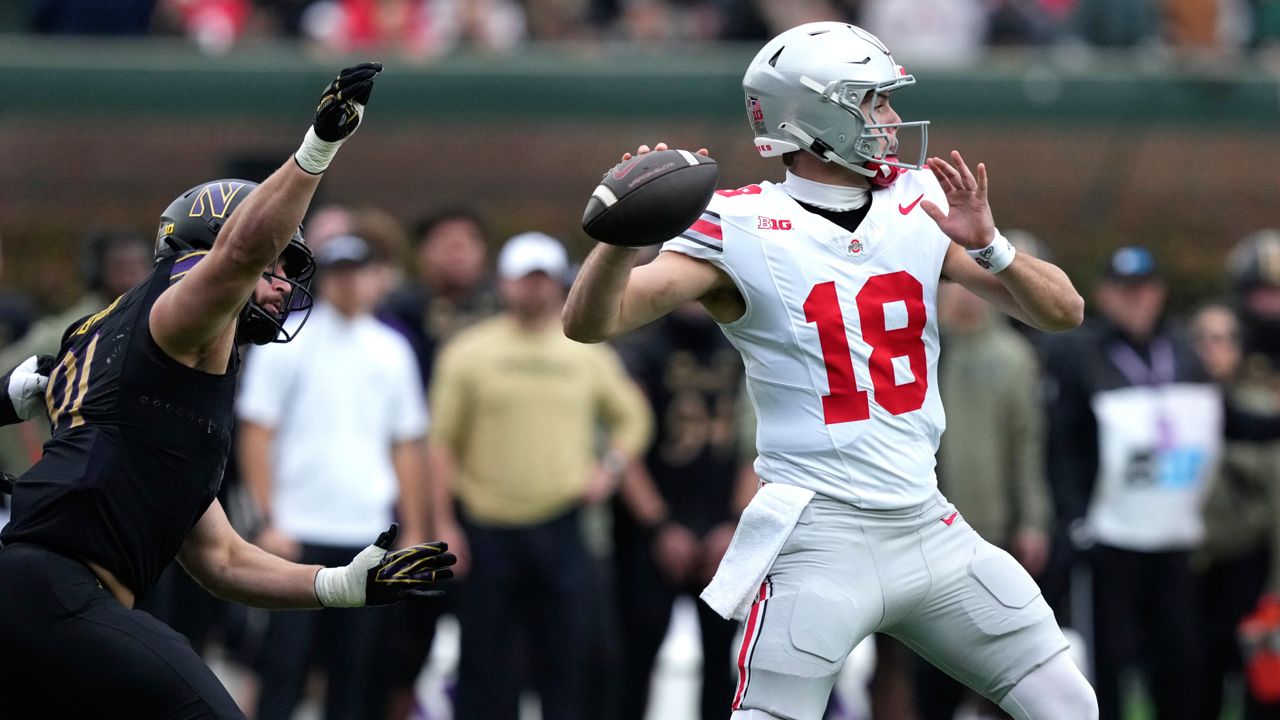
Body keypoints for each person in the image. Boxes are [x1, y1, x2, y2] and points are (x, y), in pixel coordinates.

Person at [563, 21, 1096, 720]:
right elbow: (591, 322)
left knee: (1069, 706)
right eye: (871, 100)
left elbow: (1064, 312)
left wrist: (991, 245)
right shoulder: (738, 223)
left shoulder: (920, 204)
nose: (891, 119)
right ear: (812, 115)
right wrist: (616, 243)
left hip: (927, 522)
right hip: (820, 536)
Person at [0, 63, 455, 717]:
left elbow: (219, 557)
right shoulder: (181, 312)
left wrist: (339, 584)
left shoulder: (154, 366)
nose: (281, 284)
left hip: (50, 601)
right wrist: (317, 148)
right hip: (56, 591)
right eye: (276, 262)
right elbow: (240, 257)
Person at [430, 231, 652, 720]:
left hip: (562, 523)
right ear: (504, 283)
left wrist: (609, 469)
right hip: (486, 526)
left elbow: (633, 418)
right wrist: (443, 524)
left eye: (543, 280)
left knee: (568, 660)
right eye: (523, 279)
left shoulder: (585, 350)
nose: (533, 290)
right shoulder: (469, 351)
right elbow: (441, 443)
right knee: (485, 662)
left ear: (559, 284)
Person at [236, 234, 431, 720]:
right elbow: (257, 432)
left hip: (366, 533)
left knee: (357, 671)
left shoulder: (392, 349)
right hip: (296, 534)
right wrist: (268, 519)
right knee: (283, 668)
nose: (348, 282)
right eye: (339, 271)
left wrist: (417, 528)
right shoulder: (289, 340)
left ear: (373, 277)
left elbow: (406, 445)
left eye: (357, 270)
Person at [1044, 246, 1219, 720]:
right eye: (1124, 291)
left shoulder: (1184, 352)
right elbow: (1063, 443)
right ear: (1104, 295)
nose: (1135, 301)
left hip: (1173, 533)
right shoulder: (1083, 354)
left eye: (1143, 290)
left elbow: (1219, 421)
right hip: (1111, 534)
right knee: (1110, 660)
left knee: (1180, 658)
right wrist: (1073, 514)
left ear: (1160, 293)